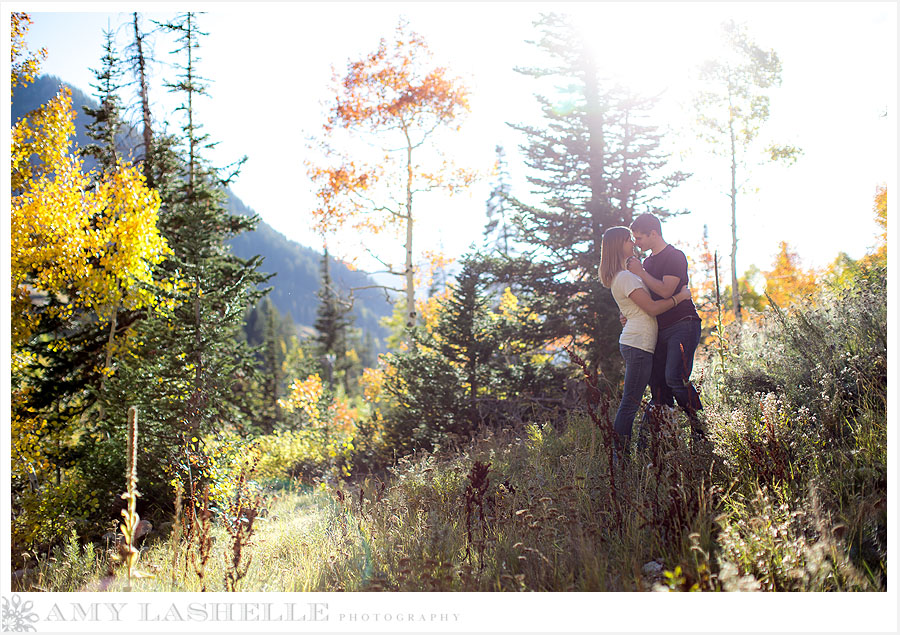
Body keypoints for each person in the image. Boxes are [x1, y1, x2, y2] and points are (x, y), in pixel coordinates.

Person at [599, 226, 692, 457]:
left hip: (640, 342)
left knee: (641, 400)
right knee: (630, 404)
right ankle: (620, 459)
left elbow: (636, 308)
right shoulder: (625, 277)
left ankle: (639, 450)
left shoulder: (626, 276)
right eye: (629, 240)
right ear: (619, 245)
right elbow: (651, 307)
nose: (633, 243)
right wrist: (679, 297)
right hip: (637, 344)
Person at [626, 213, 704, 438]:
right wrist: (628, 314)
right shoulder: (648, 262)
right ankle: (664, 443)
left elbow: (665, 291)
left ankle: (702, 430)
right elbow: (646, 297)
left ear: (653, 233)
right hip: (659, 328)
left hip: (683, 324)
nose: (636, 244)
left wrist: (640, 272)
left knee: (675, 378)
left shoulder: (674, 256)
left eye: (639, 238)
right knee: (659, 387)